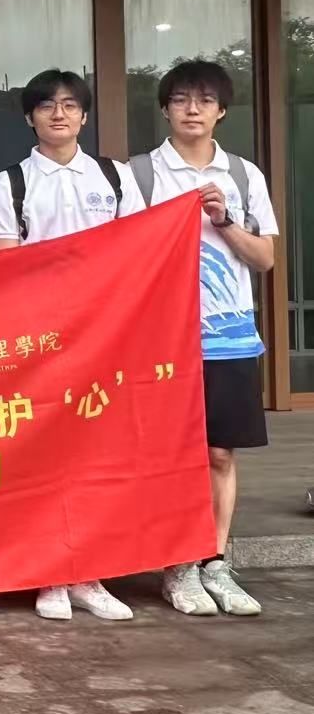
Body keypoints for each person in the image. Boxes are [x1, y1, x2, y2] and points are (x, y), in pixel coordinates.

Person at [0, 69, 144, 624]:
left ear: (84, 115)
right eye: (47, 105)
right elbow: (7, 266)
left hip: (104, 337)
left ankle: (89, 574)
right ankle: (49, 576)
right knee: (43, 458)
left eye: (70, 105)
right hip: (39, 342)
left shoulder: (115, 176)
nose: (59, 114)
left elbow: (136, 251)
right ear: (30, 117)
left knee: (95, 457)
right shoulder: (9, 183)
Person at [137, 61, 276, 619]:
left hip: (230, 337)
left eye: (204, 100)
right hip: (161, 341)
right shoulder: (139, 175)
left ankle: (215, 559)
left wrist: (224, 221)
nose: (192, 109)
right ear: (165, 109)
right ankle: (178, 565)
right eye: (180, 99)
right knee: (172, 455)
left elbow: (265, 258)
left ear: (221, 111)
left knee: (220, 452)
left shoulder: (244, 175)